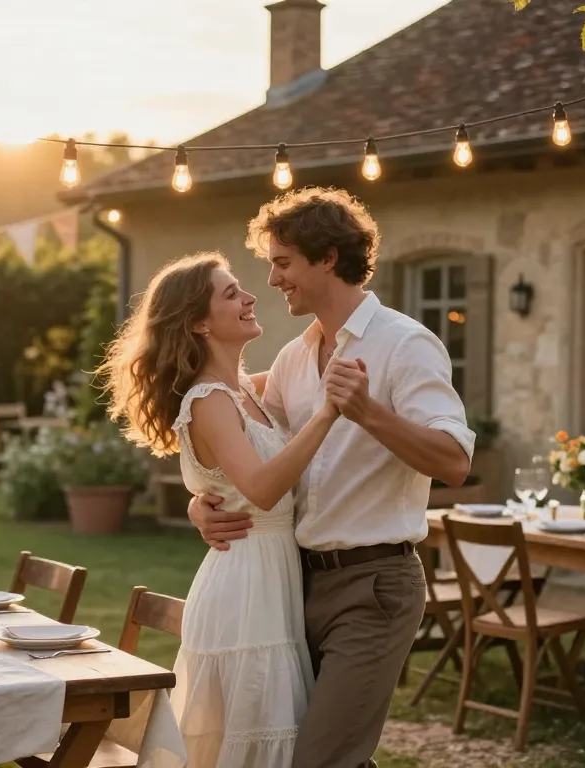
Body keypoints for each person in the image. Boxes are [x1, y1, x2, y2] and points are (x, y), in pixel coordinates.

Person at [188, 187, 476, 768]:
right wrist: (202, 500)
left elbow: (454, 462)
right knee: (322, 748)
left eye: (283, 262)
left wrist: (369, 411)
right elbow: (229, 423)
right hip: (297, 587)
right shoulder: (296, 357)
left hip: (375, 586)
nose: (271, 280)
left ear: (327, 258)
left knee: (319, 758)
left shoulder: (406, 343)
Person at [99, 251, 343, 767]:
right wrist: (328, 414)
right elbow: (260, 489)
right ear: (198, 322)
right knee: (251, 730)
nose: (250, 296)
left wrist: (196, 504)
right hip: (245, 587)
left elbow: (226, 480)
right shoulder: (208, 399)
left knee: (267, 729)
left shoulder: (247, 392)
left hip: (270, 578)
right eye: (231, 293)